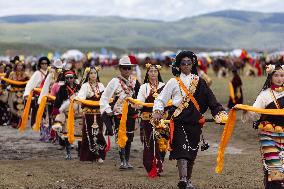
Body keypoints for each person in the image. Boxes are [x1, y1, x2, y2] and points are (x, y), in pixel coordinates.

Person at [152, 50, 227, 189]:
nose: (186, 65)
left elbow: (212, 101)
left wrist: (219, 113)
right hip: (178, 120)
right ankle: (183, 179)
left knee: (191, 151)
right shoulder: (173, 82)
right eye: (183, 63)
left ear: (192, 64)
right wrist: (157, 111)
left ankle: (188, 181)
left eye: (189, 63)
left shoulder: (200, 82)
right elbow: (161, 99)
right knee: (182, 150)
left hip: (194, 121)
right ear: (179, 65)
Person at [242, 62, 284, 188]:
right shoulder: (264, 95)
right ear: (270, 77)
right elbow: (255, 114)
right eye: (276, 75)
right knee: (274, 168)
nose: (279, 78)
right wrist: (246, 110)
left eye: (282, 75)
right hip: (268, 136)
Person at [100, 55, 140, 170]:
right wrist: (108, 110)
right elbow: (104, 97)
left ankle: (127, 160)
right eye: (124, 68)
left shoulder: (135, 82)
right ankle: (122, 161)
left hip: (132, 114)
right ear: (120, 69)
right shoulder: (114, 82)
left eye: (129, 68)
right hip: (119, 115)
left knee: (130, 137)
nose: (127, 70)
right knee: (121, 137)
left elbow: (140, 97)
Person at [136, 63, 167, 177]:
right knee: (150, 143)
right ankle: (151, 167)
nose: (153, 73)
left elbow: (169, 100)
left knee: (162, 142)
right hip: (147, 119)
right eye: (151, 71)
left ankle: (159, 164)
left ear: (158, 73)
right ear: (147, 73)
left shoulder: (164, 86)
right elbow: (140, 102)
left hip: (162, 119)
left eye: (155, 71)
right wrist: (136, 104)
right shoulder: (144, 87)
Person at [76, 66, 106, 163]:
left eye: (95, 73)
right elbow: (80, 98)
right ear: (88, 75)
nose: (93, 75)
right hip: (88, 113)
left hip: (98, 114)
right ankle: (89, 156)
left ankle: (100, 155)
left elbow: (105, 97)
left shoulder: (101, 85)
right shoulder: (85, 86)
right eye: (91, 73)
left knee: (99, 132)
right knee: (89, 133)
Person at [52, 70, 80, 160]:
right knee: (67, 133)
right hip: (66, 113)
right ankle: (68, 153)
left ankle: (80, 152)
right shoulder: (62, 88)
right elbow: (58, 100)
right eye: (67, 78)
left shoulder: (79, 87)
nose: (69, 79)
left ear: (74, 78)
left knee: (79, 133)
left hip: (78, 114)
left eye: (71, 77)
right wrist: (56, 111)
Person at [23, 57, 50, 127]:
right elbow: (30, 84)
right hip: (38, 94)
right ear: (40, 65)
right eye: (42, 63)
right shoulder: (37, 73)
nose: (44, 65)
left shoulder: (50, 73)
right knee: (36, 109)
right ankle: (35, 124)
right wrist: (27, 93)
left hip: (48, 94)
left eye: (46, 63)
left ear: (48, 64)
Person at [8, 59, 29, 128]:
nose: (20, 67)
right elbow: (8, 82)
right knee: (14, 106)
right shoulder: (12, 74)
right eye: (18, 65)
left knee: (22, 107)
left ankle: (21, 122)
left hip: (22, 92)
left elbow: (29, 82)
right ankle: (14, 122)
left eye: (21, 65)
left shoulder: (25, 74)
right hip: (14, 92)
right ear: (16, 66)